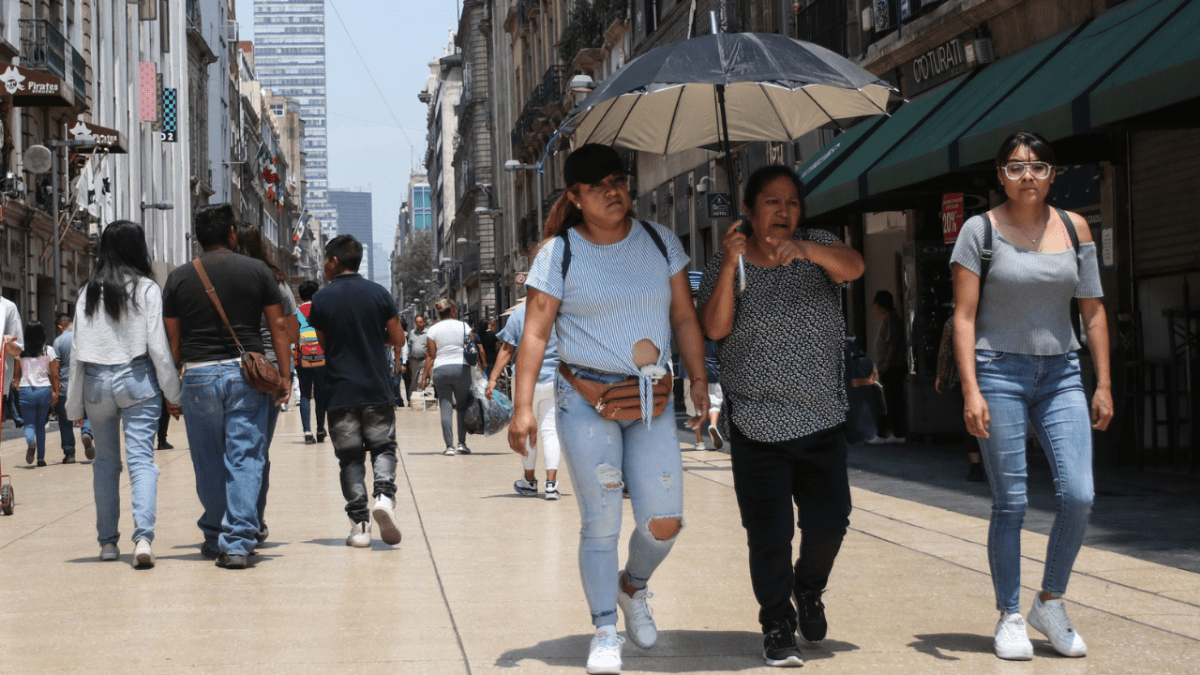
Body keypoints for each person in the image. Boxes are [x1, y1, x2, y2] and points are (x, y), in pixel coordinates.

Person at [509, 143, 708, 674]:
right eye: (598, 186)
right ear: (575, 196)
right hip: (585, 402)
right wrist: (522, 406)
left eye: (618, 180)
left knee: (664, 522)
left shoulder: (659, 241)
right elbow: (535, 332)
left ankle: (631, 586)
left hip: (654, 401)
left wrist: (700, 381)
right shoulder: (558, 253)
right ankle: (604, 629)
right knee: (600, 523)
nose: (613, 191)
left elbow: (686, 319)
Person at [950, 131, 1111, 661]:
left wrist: (1103, 383)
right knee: (1012, 502)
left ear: (1052, 174)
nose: (1027, 176)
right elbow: (965, 317)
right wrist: (971, 389)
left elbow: (1091, 310)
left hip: (1062, 373)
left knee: (1079, 495)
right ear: (1000, 175)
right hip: (999, 372)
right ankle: (1011, 614)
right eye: (1016, 167)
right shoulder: (980, 231)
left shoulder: (1074, 226)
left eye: (1038, 167)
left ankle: (1050, 601)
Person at [698, 164, 865, 668]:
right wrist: (730, 264)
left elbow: (854, 267)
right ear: (750, 210)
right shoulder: (729, 255)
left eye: (791, 202)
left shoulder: (818, 244)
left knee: (830, 521)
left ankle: (808, 588)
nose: (784, 211)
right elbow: (714, 327)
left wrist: (808, 250)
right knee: (768, 534)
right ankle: (776, 624)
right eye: (771, 202)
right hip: (756, 422)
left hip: (821, 417)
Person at [163, 203, 292, 570]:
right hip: (245, 374)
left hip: (198, 375)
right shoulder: (257, 271)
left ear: (199, 238)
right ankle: (237, 542)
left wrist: (172, 386)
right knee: (246, 455)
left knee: (207, 459)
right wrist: (284, 376)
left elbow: (172, 341)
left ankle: (213, 533)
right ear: (232, 233)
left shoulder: (179, 277)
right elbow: (279, 327)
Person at [65, 220, 182, 566]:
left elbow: (77, 352)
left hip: (97, 384)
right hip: (137, 380)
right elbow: (159, 349)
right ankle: (143, 539)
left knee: (105, 464)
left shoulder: (87, 290)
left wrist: (74, 405)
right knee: (141, 462)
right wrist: (172, 392)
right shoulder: (146, 288)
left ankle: (107, 544)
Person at [308, 234, 406, 548]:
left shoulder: (322, 299)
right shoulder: (379, 293)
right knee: (383, 448)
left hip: (339, 391)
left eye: (326, 259)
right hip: (376, 388)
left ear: (334, 261)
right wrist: (374, 338)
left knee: (349, 460)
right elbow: (398, 339)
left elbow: (323, 344)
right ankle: (383, 496)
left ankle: (360, 526)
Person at [237, 224, 300, 544]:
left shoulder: (226, 277)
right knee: (257, 448)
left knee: (231, 449)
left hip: (229, 368)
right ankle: (255, 518)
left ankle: (233, 517)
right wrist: (285, 376)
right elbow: (289, 332)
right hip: (267, 373)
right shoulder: (276, 281)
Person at [486, 302, 561, 499]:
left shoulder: (519, 315)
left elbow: (507, 349)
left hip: (524, 382)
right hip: (555, 379)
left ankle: (529, 482)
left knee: (527, 431)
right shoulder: (558, 314)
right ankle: (551, 484)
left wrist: (493, 379)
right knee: (550, 431)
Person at [420, 299, 478, 456]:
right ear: (452, 311)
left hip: (441, 370)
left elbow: (431, 355)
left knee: (445, 408)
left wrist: (424, 377)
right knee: (461, 407)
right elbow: (472, 347)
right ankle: (461, 444)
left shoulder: (433, 330)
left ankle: (449, 447)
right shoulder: (464, 326)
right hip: (462, 368)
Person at [935, 314, 985, 482]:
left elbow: (945, 351)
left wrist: (941, 375)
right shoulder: (991, 317)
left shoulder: (953, 321)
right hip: (990, 378)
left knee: (970, 423)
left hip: (962, 378)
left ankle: (976, 466)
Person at [13, 321, 59, 467]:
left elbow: (16, 374)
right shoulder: (49, 350)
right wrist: (55, 391)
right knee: (41, 425)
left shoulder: (21, 350)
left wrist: (17, 384)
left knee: (29, 424)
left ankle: (30, 441)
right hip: (44, 390)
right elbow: (54, 374)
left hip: (26, 390)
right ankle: (41, 459)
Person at [52, 313, 94, 461]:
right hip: (84, 384)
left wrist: (55, 390)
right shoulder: (84, 337)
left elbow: (55, 368)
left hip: (65, 386)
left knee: (65, 421)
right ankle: (87, 433)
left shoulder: (58, 341)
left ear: (59, 326)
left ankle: (69, 453)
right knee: (87, 414)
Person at [868, 290, 906, 444]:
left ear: (879, 305)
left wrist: (886, 362)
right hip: (891, 366)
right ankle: (896, 433)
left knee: (886, 401)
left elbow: (892, 343)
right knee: (892, 400)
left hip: (891, 367)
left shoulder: (890, 318)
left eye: (874, 305)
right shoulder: (891, 318)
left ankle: (883, 434)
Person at [295, 280, 328, 444]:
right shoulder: (321, 309)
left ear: (300, 296)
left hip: (302, 358)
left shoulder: (296, 312)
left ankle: (307, 432)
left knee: (305, 395)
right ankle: (321, 429)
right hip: (321, 357)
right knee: (321, 395)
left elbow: (292, 337)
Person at [406, 314, 429, 405]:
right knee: (414, 382)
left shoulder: (428, 333)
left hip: (424, 360)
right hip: (414, 360)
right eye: (417, 322)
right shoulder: (412, 333)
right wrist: (409, 361)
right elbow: (409, 346)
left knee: (421, 380)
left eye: (420, 322)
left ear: (424, 322)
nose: (418, 324)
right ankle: (411, 400)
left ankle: (419, 401)